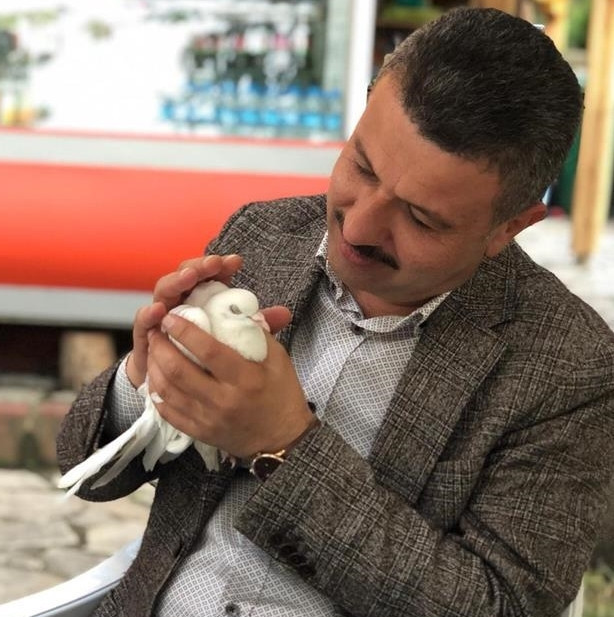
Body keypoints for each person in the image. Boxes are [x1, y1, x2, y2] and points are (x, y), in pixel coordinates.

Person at [56, 7, 614, 617]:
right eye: (362, 167)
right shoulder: (265, 236)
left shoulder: (568, 366)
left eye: (421, 218)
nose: (360, 225)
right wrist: (144, 381)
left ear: (510, 227)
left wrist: (283, 445)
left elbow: (501, 606)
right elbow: (86, 473)